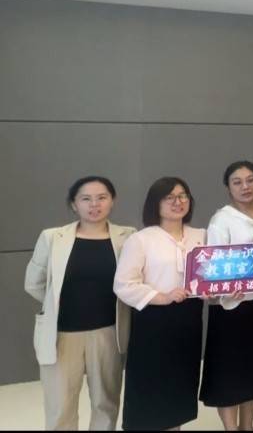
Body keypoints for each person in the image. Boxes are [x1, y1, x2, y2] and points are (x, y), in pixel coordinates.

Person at [24, 176, 135, 431]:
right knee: (60, 407)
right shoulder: (53, 237)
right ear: (74, 204)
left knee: (106, 404)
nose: (94, 204)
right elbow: (33, 283)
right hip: (62, 334)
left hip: (108, 334)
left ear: (112, 201)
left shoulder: (128, 237)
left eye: (102, 197)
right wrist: (57, 306)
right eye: (86, 199)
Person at [113, 177, 206, 431]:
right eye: (169, 197)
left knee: (180, 381)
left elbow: (211, 274)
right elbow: (124, 284)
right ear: (156, 203)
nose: (178, 202)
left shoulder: (201, 235)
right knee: (150, 384)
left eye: (183, 195)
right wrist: (162, 297)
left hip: (189, 318)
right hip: (153, 320)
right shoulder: (141, 239)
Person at [199, 161, 253, 431]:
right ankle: (231, 427)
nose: (245, 187)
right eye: (237, 182)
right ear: (228, 187)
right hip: (230, 308)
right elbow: (213, 267)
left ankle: (247, 425)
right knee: (228, 372)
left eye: (251, 180)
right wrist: (227, 288)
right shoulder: (221, 220)